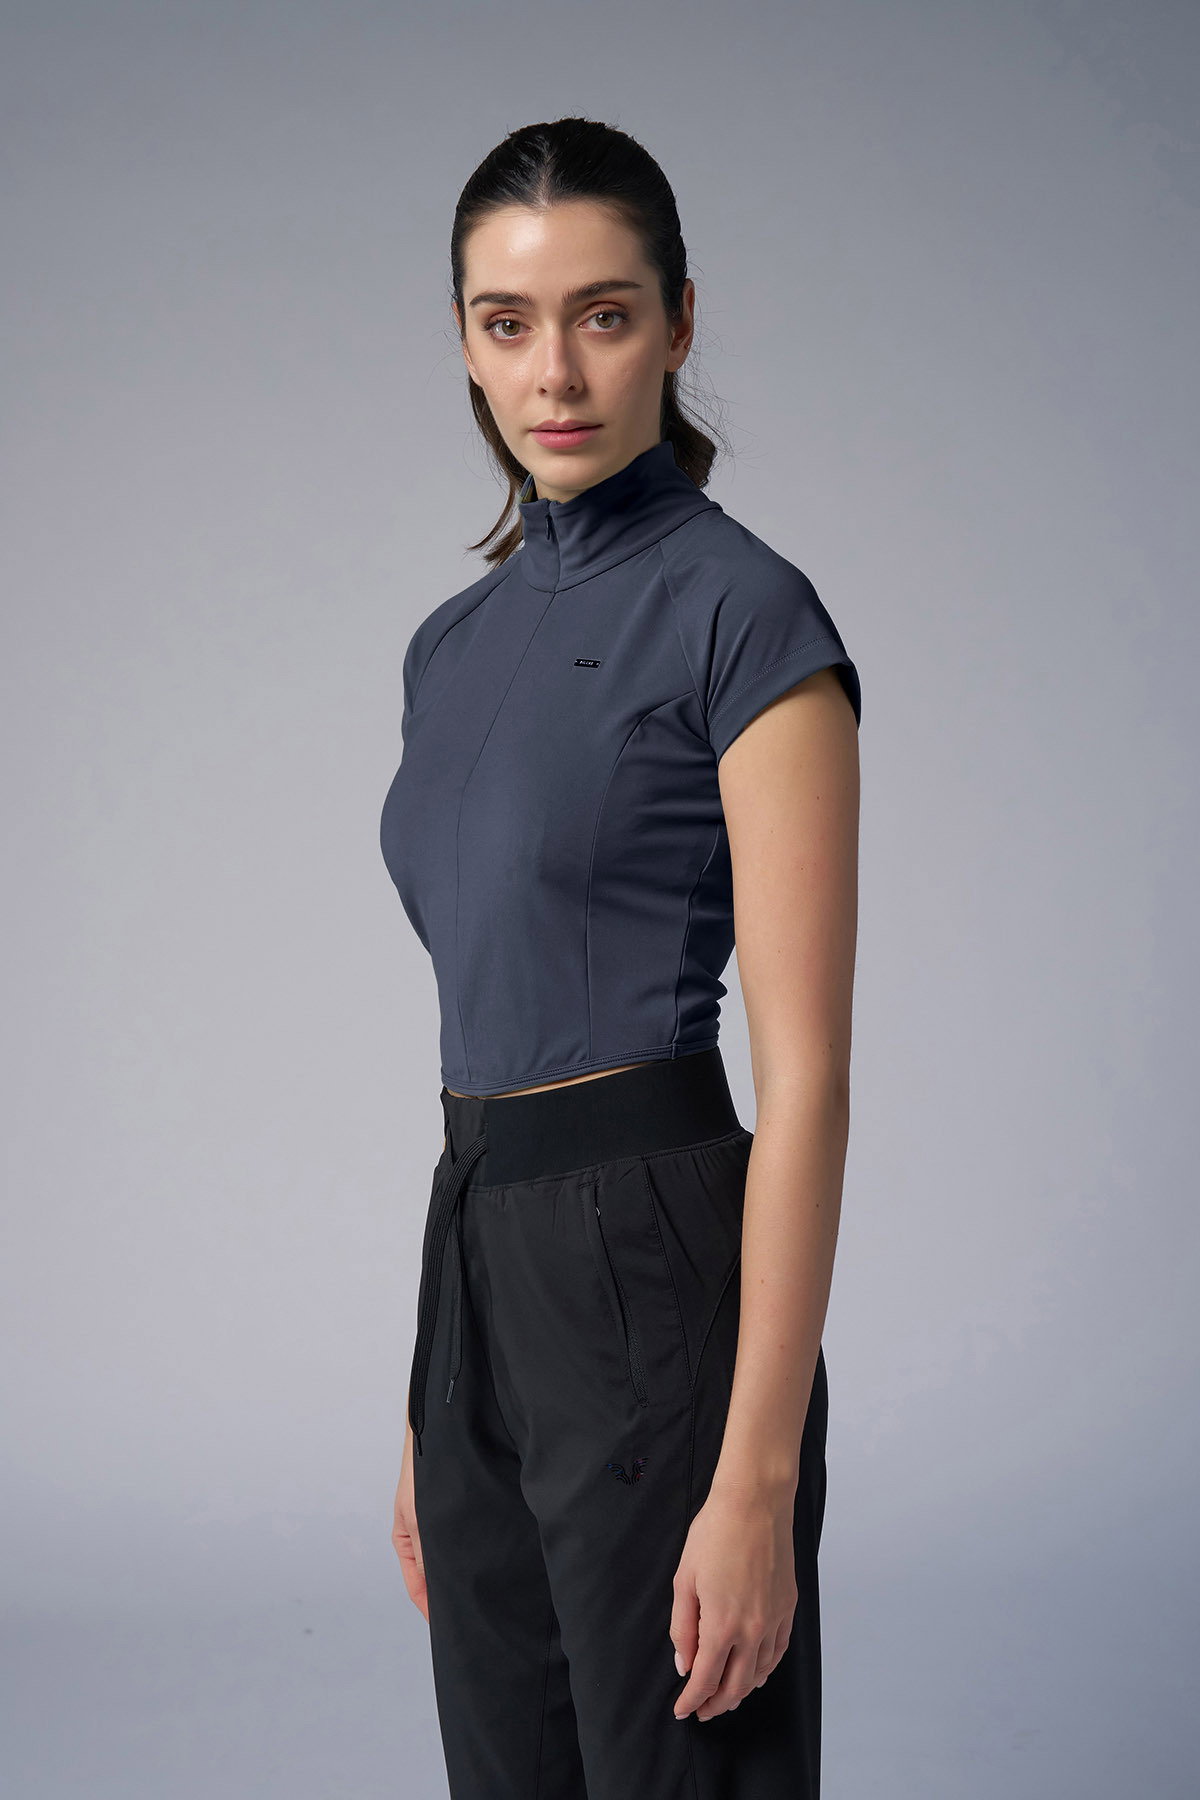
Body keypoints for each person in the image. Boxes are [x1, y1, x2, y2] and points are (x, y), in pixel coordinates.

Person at [379, 116, 861, 1800]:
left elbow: (808, 1080)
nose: (556, 372)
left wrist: (757, 1479)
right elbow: (486, 1022)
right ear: (464, 340)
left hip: (652, 1267)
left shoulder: (746, 617)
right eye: (507, 322)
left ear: (677, 321)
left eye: (604, 314)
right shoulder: (451, 646)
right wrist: (438, 1399)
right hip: (475, 1267)